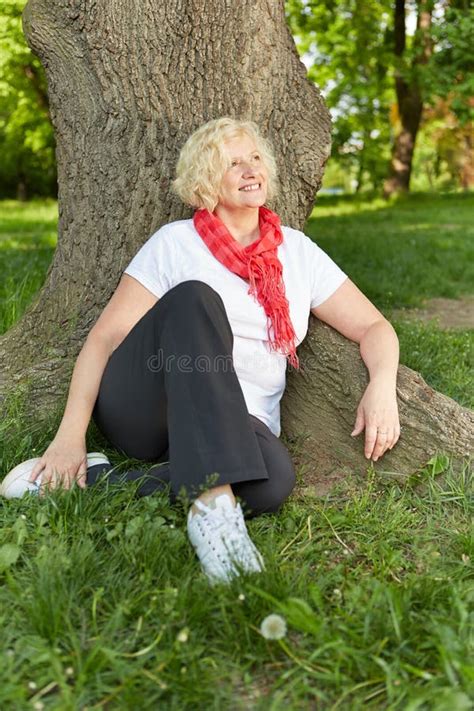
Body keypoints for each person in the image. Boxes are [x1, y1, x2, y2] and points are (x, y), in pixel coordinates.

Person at [1, 117, 400, 584]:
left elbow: (374, 325)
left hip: (240, 422)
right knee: (195, 298)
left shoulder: (297, 252)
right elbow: (104, 339)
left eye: (255, 158)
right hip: (151, 408)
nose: (251, 169)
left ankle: (102, 480)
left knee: (272, 481)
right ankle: (213, 511)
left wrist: (382, 384)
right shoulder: (175, 243)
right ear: (206, 180)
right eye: (233, 163)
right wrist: (71, 435)